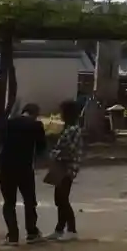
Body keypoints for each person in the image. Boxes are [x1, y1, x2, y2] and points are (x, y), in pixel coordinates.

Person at [0, 102, 47, 246]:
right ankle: (32, 233)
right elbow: (41, 148)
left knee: (9, 203)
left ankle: (12, 236)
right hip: (25, 168)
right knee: (29, 201)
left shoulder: (8, 123)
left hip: (6, 167)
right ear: (35, 114)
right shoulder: (36, 125)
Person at [47, 99, 85, 242]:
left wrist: (53, 154)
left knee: (62, 199)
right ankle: (59, 229)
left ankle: (71, 230)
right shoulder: (68, 128)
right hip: (62, 167)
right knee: (59, 199)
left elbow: (69, 151)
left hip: (66, 168)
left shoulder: (73, 130)